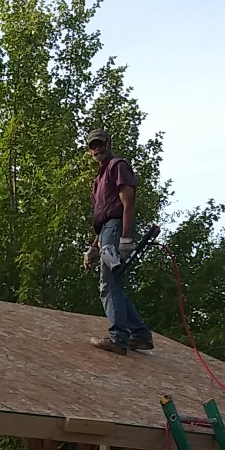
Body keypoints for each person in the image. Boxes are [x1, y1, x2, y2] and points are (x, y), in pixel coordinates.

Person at [82, 129, 153, 354]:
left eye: (100, 144)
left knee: (109, 284)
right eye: (93, 146)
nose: (97, 149)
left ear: (108, 144)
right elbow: (103, 218)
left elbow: (127, 203)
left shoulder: (117, 166)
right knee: (113, 284)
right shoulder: (99, 179)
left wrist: (126, 238)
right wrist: (94, 248)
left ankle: (118, 338)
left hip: (115, 228)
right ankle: (140, 335)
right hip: (106, 230)